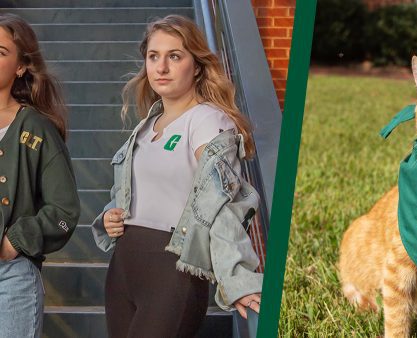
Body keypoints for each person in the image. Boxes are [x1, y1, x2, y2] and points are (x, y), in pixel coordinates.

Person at [91, 15, 263, 337]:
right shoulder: (145, 128)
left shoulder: (208, 122)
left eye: (175, 56)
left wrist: (237, 274)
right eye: (153, 56)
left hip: (171, 272)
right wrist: (109, 217)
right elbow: (134, 194)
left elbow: (224, 204)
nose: (161, 67)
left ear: (196, 66)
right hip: (123, 268)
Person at [0, 13, 81, 338]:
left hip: (10, 278)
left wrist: (13, 243)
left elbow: (63, 211)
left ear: (21, 66)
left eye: (1, 51)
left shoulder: (36, 129)